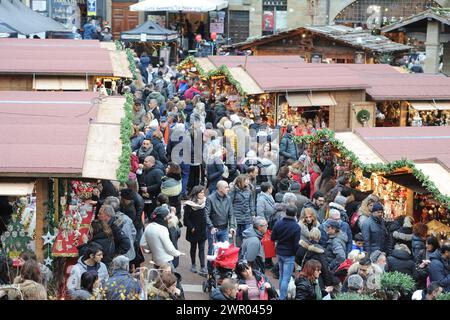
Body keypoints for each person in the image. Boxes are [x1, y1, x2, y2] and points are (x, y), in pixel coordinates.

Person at [270, 205, 301, 300]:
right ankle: (282, 297)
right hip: (290, 254)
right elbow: (296, 245)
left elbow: (272, 238)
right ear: (295, 214)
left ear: (285, 212)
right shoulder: (296, 227)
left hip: (279, 252)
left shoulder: (278, 223)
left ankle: (281, 295)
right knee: (286, 277)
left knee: (281, 274)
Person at [205, 181, 237, 258]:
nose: (228, 189)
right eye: (226, 187)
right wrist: (211, 227)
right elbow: (206, 215)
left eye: (228, 187)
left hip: (224, 229)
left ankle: (221, 269)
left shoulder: (228, 198)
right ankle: (210, 269)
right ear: (219, 188)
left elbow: (231, 214)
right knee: (212, 251)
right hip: (213, 229)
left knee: (225, 250)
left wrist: (232, 226)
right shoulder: (210, 199)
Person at [183, 186, 208, 276]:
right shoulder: (189, 205)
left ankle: (202, 266)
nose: (203, 194)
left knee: (201, 248)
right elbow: (186, 219)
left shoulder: (205, 202)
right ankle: (193, 264)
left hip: (202, 229)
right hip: (193, 230)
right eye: (201, 192)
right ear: (196, 193)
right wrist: (191, 228)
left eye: (203, 192)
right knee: (193, 247)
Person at [105, 196, 137, 263]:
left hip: (121, 256)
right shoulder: (127, 218)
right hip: (129, 252)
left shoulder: (115, 221)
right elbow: (134, 233)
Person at [230, 174, 255, 246]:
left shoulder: (249, 189)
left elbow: (251, 202)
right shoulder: (233, 191)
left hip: (247, 215)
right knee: (237, 234)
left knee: (247, 233)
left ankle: (245, 248)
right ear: (241, 181)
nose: (248, 181)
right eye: (246, 180)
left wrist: (252, 213)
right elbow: (230, 203)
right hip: (236, 216)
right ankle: (239, 249)